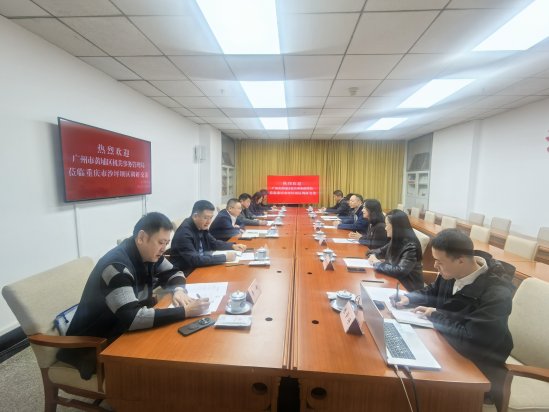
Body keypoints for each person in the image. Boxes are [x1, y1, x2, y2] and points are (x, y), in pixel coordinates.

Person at [57, 212, 209, 379]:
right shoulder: (116, 268)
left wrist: (178, 290)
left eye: (166, 243)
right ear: (141, 238)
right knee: (166, 361)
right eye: (160, 242)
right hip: (95, 343)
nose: (163, 249)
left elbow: (175, 272)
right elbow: (133, 319)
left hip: (122, 328)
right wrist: (186, 311)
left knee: (177, 345)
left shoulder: (150, 255)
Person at [391, 229, 514, 411]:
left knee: (414, 389)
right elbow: (433, 291)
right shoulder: (452, 273)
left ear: (461, 260)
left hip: (477, 367)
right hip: (446, 345)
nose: (435, 266)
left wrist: (436, 315)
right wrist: (409, 298)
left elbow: (470, 341)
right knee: (401, 375)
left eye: (439, 262)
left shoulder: (497, 294)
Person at [170, 200, 247, 274]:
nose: (209, 222)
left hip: (201, 264)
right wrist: (224, 257)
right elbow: (195, 260)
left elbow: (214, 243)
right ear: (195, 216)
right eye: (206, 218)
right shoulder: (184, 233)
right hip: (187, 272)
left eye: (211, 218)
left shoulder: (200, 225)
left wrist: (233, 246)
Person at [367, 209, 424, 291]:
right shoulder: (396, 240)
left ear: (396, 227)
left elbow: (400, 271)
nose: (385, 228)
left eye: (387, 225)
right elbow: (378, 251)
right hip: (395, 281)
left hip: (408, 288)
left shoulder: (411, 246)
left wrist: (377, 263)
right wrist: (373, 255)